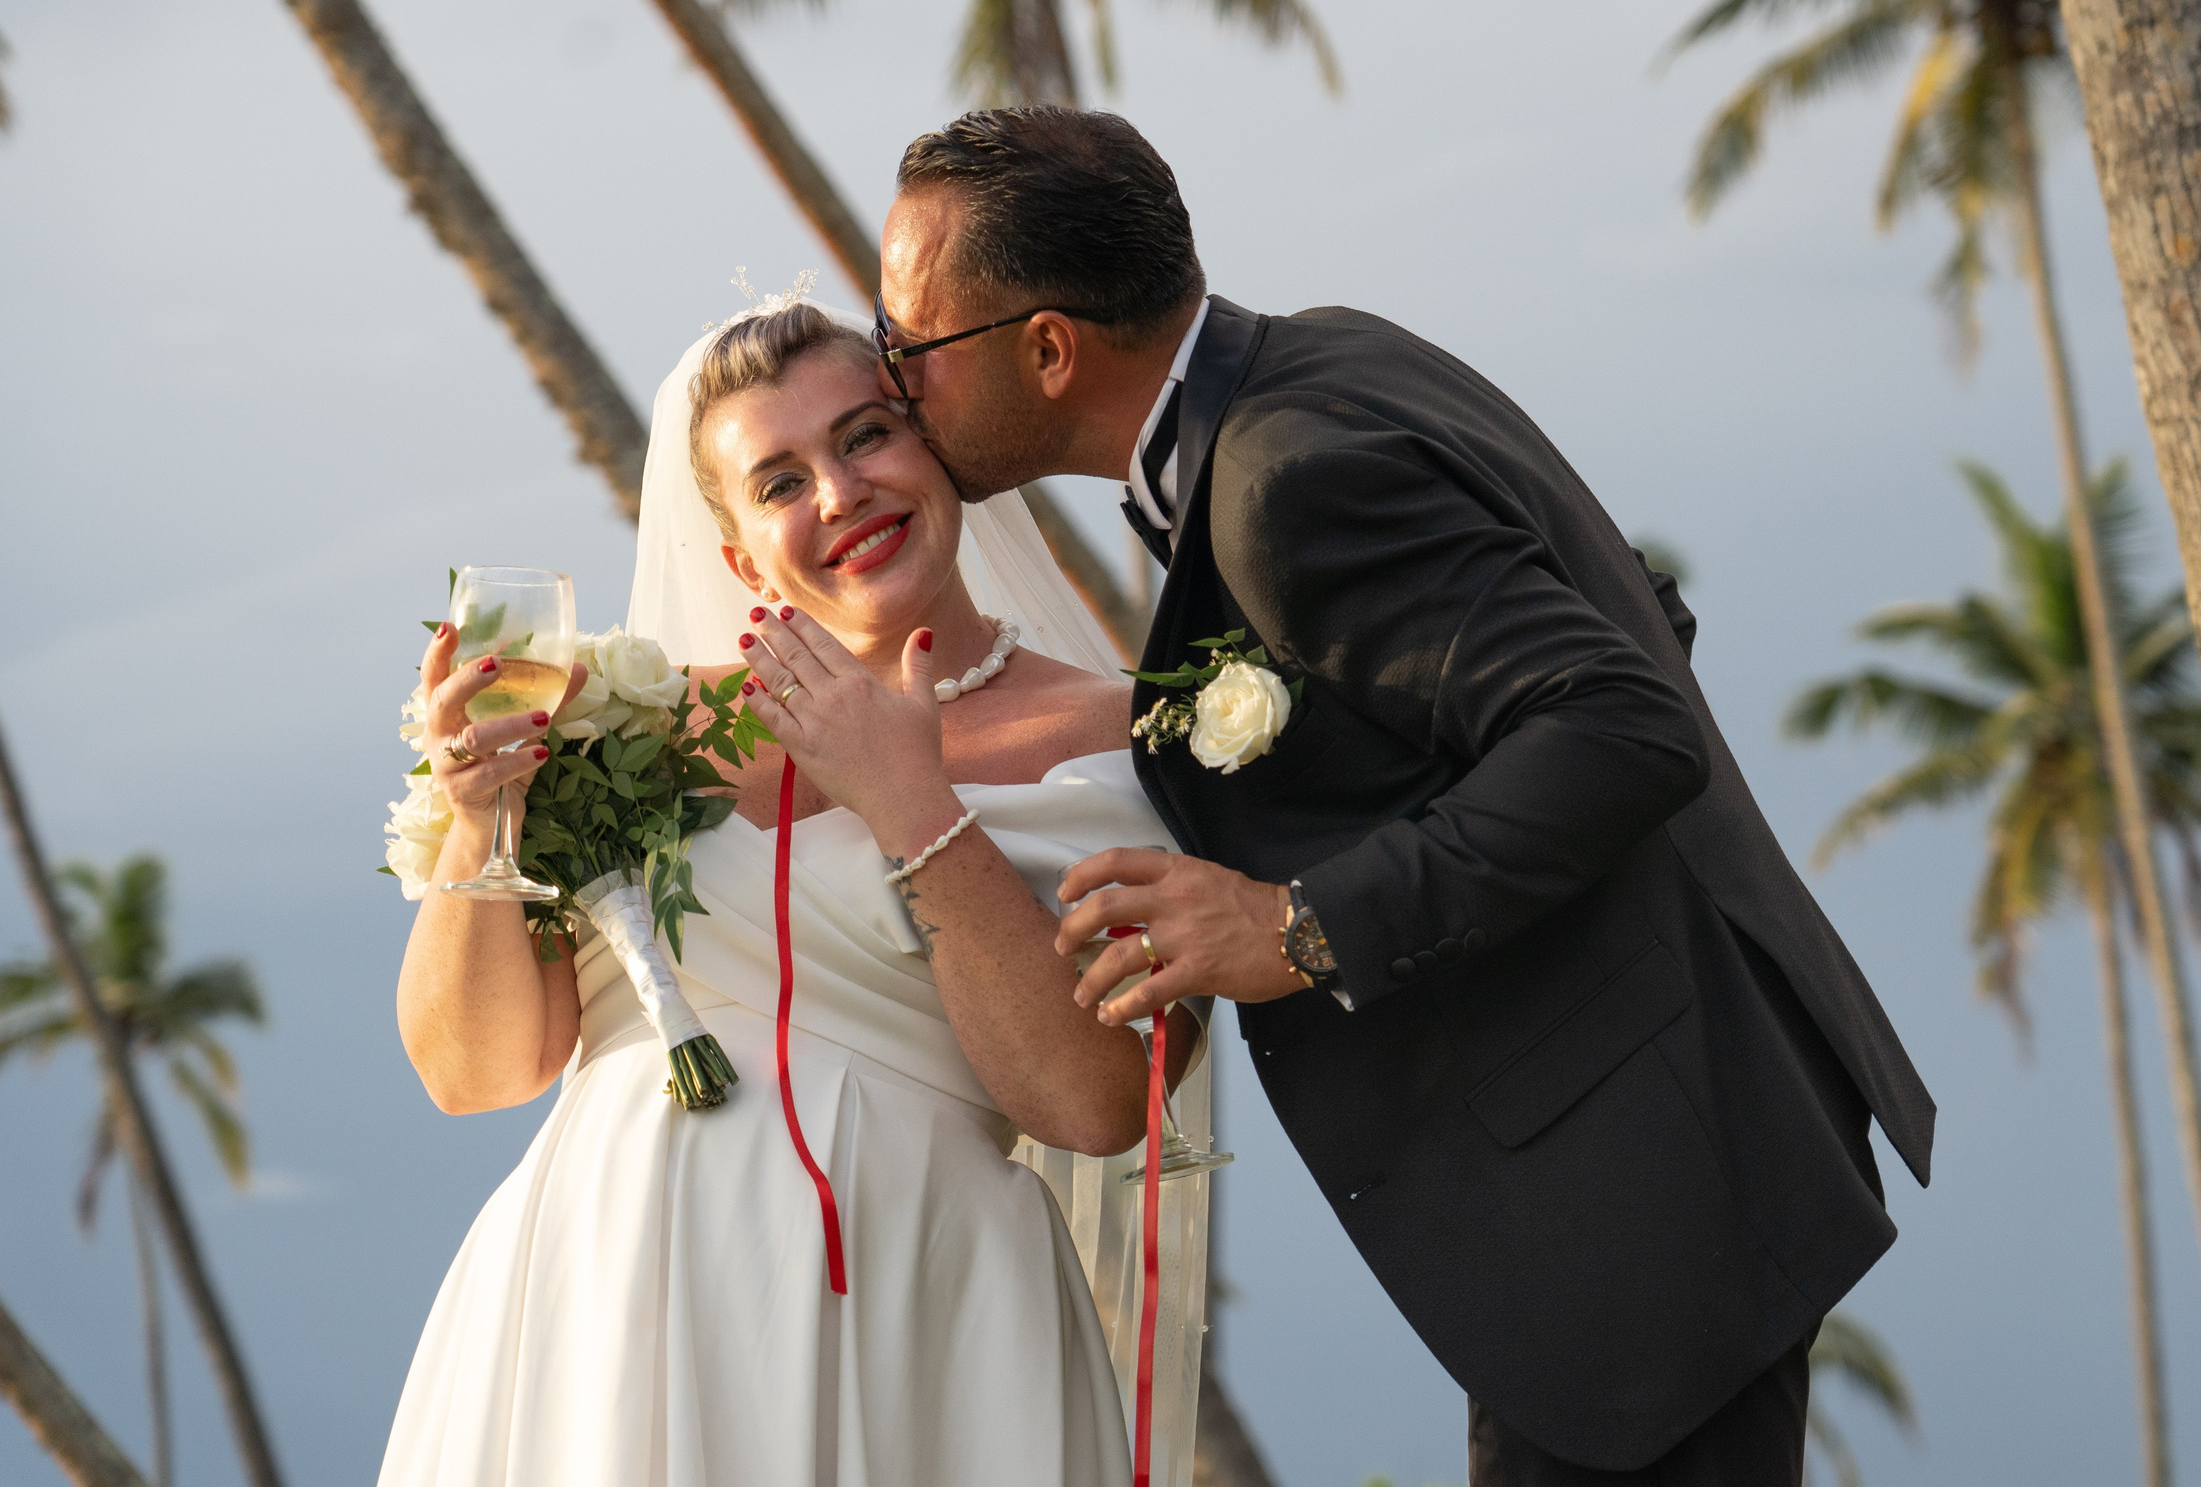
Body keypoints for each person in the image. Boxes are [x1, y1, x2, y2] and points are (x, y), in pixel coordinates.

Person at [867, 106, 1938, 1486]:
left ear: (1051, 347)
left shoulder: (1281, 479)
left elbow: (1621, 718)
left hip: (1637, 1183)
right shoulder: (1327, 356)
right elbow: (1626, 613)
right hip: (1664, 1120)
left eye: (911, 344)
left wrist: (1295, 921)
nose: (897, 380)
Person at [378, 299, 1213, 1487]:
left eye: (867, 435)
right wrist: (480, 818)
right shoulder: (623, 723)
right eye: (777, 483)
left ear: (939, 454)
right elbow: (475, 1075)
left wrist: (912, 804)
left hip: (917, 1310)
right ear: (735, 556)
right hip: (599, 1301)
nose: (838, 493)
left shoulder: (1115, 734)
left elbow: (1088, 1104)